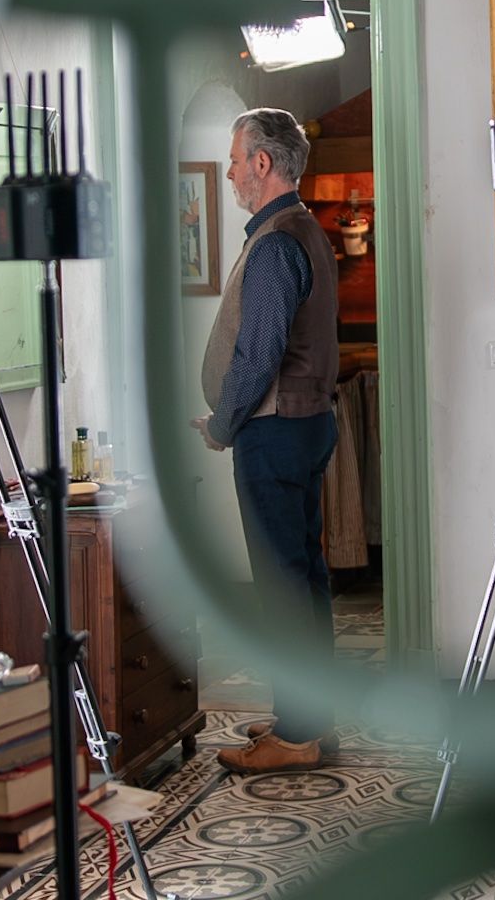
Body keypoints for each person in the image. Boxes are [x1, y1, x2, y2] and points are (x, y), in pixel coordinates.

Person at [192, 108, 339, 775]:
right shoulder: (300, 229)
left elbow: (258, 355)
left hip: (274, 432)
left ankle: (301, 734)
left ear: (261, 163)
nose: (227, 171)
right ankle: (307, 719)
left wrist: (223, 425)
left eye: (232, 158)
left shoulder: (277, 240)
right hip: (301, 427)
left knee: (284, 588)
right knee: (301, 582)